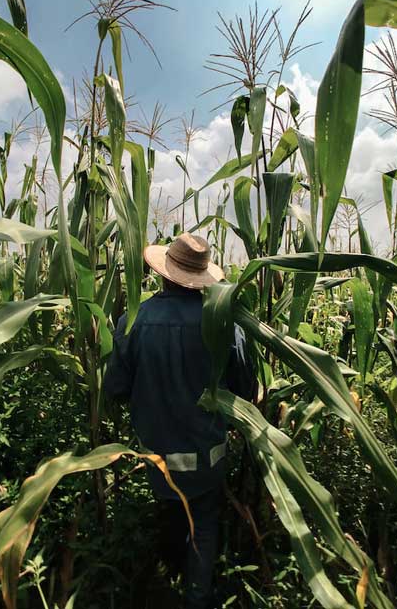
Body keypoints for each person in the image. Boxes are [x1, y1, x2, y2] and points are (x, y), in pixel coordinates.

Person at [103, 232, 256, 609]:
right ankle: (198, 597)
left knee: (170, 508)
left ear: (163, 273)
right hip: (207, 459)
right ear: (203, 277)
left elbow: (115, 389)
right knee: (202, 523)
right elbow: (246, 391)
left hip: (156, 459)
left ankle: (159, 577)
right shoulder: (223, 325)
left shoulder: (133, 321)